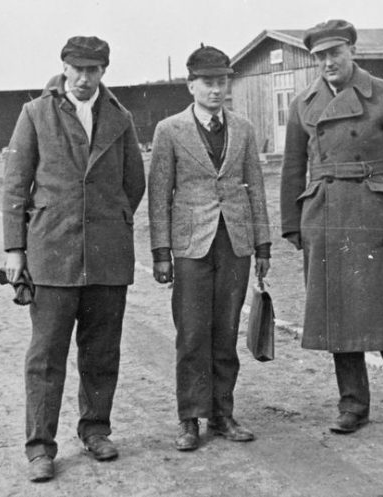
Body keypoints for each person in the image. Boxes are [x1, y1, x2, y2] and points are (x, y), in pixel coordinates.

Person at [280, 20, 383, 439]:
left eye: (336, 53)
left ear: (353, 50)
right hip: (325, 215)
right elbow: (292, 168)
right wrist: (291, 224)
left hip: (373, 214)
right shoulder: (304, 103)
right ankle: (353, 406)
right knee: (338, 317)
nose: (329, 62)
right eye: (320, 56)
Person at [2, 35, 145, 482]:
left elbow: (133, 183)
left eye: (94, 70)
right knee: (46, 356)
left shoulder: (120, 118)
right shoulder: (35, 114)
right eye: (77, 69)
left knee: (102, 351)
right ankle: (40, 447)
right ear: (64, 68)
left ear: (105, 71)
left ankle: (96, 429)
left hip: (106, 257)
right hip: (52, 256)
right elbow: (14, 186)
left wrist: (110, 220)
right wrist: (15, 249)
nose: (84, 79)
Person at [148, 45, 271, 451]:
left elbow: (256, 187)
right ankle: (190, 419)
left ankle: (222, 414)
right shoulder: (170, 130)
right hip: (189, 246)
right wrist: (161, 252)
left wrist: (263, 244)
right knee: (192, 333)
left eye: (222, 82)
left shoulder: (243, 128)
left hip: (235, 244)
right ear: (191, 85)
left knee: (226, 332)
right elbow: (159, 194)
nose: (216, 90)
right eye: (208, 83)